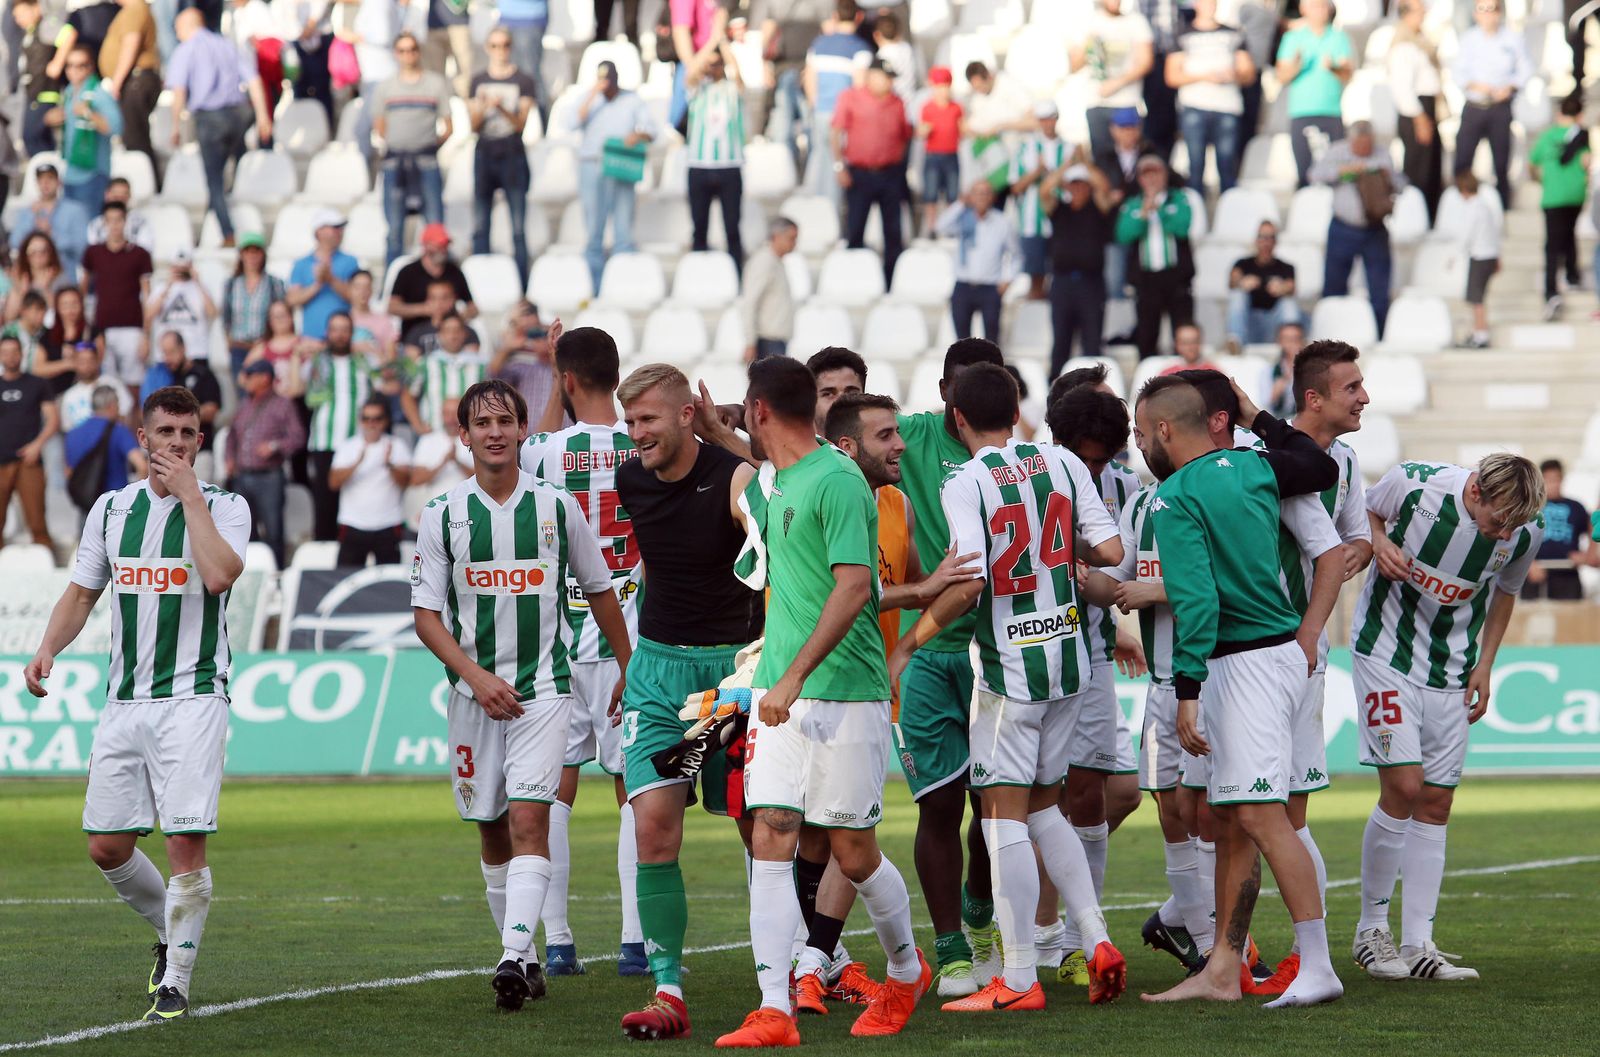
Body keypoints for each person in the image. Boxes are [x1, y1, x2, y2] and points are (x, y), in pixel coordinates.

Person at [885, 361, 1126, 1013]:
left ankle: (1018, 979)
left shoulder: (966, 481)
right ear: (1018, 410)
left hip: (1009, 671)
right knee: (1045, 808)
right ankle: (1096, 937)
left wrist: (907, 644)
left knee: (1001, 816)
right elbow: (1110, 553)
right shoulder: (1064, 463)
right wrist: (1057, 549)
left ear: (957, 417)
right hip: (1070, 663)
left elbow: (968, 582)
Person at [716, 355, 929, 1046]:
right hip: (780, 693)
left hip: (844, 692)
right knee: (772, 832)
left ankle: (906, 971)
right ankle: (774, 1007)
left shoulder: (838, 479)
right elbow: (754, 462)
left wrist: (793, 677)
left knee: (854, 852)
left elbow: (854, 587)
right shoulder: (776, 478)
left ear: (759, 410)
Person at [24, 385, 249, 1023]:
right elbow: (82, 593)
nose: (176, 443)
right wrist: (47, 648)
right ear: (143, 438)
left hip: (194, 696)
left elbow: (218, 575)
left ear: (200, 441)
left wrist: (190, 497)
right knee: (106, 845)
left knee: (184, 841)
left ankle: (175, 983)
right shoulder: (111, 509)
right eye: (165, 432)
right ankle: (170, 933)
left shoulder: (226, 506)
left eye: (187, 433)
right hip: (124, 700)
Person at [410, 378, 633, 1011]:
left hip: (544, 690)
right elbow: (426, 616)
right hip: (472, 696)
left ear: (522, 429)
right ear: (464, 435)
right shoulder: (442, 513)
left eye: (505, 421)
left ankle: (510, 957)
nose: (495, 433)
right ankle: (529, 957)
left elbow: (600, 588)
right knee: (491, 828)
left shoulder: (558, 506)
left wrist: (630, 666)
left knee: (531, 817)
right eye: (482, 423)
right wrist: (476, 679)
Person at [1135, 374, 1345, 1008]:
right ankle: (1223, 969)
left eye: (1142, 433)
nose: (1140, 444)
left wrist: (1187, 689)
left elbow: (1196, 598)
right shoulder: (1256, 467)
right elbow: (1320, 466)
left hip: (1242, 664)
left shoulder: (1172, 497)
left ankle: (1318, 966)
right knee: (1230, 822)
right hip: (1277, 656)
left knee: (1259, 817)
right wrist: (1258, 416)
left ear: (1165, 430)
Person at [610, 364, 763, 1041]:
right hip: (658, 674)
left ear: (684, 415)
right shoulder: (631, 478)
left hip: (729, 679)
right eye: (630, 421)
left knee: (758, 828)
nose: (636, 432)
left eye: (647, 419)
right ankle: (668, 988)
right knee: (653, 829)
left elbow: (778, 518)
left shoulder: (733, 477)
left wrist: (728, 438)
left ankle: (791, 971)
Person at [1350, 453, 1544, 983]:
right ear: (1476, 490)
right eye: (1499, 521)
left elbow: (1505, 594)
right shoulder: (1415, 484)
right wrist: (1379, 542)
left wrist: (1486, 664)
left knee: (1436, 802)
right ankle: (1371, 931)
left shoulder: (1526, 531)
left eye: (1514, 526)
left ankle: (1419, 945)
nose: (1505, 534)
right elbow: (1363, 512)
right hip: (1384, 653)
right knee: (1404, 785)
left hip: (1454, 669)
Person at [1239, 343, 1375, 991]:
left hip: (1299, 652)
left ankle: (1302, 956)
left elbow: (1358, 536)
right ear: (1313, 398)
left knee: (1285, 814)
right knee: (1226, 812)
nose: (1364, 397)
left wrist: (1354, 554)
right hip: (1247, 651)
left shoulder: (1344, 461)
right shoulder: (1254, 454)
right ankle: (1220, 945)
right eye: (1352, 387)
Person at [518, 326, 646, 977]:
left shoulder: (544, 450)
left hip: (560, 644)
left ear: (567, 380)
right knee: (633, 791)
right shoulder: (644, 445)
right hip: (631, 641)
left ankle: (561, 942)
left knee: (555, 791)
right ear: (618, 378)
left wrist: (551, 378)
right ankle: (634, 943)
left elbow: (532, 451)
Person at [885, 338, 1006, 997]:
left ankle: (980, 906)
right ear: (944, 394)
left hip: (993, 648)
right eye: (963, 389)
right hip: (929, 653)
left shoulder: (1013, 458)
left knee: (996, 804)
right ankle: (952, 946)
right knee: (939, 803)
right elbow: (832, 438)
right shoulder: (909, 438)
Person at [166, 9, 274, 247]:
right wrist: (263, 116)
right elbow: (253, 80)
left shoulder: (186, 49)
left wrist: (175, 126)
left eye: (177, 28)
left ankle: (228, 233)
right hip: (238, 116)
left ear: (187, 25)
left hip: (210, 119)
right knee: (233, 171)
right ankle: (215, 223)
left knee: (214, 179)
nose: (176, 33)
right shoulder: (227, 45)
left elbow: (179, 91)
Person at [1312, 122, 1403, 335]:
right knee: (1334, 285)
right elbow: (1314, 175)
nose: (1364, 149)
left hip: (1375, 229)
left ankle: (1378, 332)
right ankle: (1330, 334)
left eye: (1367, 144)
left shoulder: (1382, 154)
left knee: (1379, 288)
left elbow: (1400, 184)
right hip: (1343, 228)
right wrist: (1345, 171)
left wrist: (1384, 176)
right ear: (1351, 140)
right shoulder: (1337, 152)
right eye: (1359, 144)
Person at [574, 60, 658, 289]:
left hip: (620, 162)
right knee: (593, 228)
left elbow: (651, 131)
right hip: (592, 163)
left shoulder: (632, 99)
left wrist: (637, 135)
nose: (606, 85)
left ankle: (621, 285)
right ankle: (594, 287)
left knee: (623, 228)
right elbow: (571, 122)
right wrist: (593, 93)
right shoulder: (589, 97)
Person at [372, 32, 453, 265]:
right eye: (403, 50)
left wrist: (427, 145)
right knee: (394, 231)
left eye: (412, 50)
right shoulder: (385, 87)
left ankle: (438, 278)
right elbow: (380, 127)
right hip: (395, 161)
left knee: (435, 229)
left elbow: (448, 127)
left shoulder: (435, 84)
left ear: (419, 52)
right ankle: (393, 281)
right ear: (396, 54)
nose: (408, 55)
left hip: (426, 160)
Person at [833, 58, 912, 288]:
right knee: (855, 228)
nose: (889, 83)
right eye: (886, 78)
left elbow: (904, 135)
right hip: (860, 173)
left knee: (893, 232)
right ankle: (853, 281)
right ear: (872, 76)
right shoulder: (851, 97)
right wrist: (839, 166)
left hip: (890, 173)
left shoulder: (897, 102)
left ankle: (892, 282)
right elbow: (836, 132)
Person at [469, 27, 538, 285]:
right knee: (480, 225)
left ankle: (521, 286)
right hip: (485, 152)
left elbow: (520, 125)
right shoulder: (477, 81)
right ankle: (479, 284)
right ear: (488, 48)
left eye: (505, 45)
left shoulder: (524, 81)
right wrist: (486, 108)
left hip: (512, 153)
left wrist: (500, 108)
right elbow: (473, 125)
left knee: (518, 228)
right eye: (495, 45)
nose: (500, 51)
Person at [1166, 0, 1253, 193]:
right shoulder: (1183, 34)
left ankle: (1229, 208)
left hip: (1227, 107)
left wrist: (1234, 75)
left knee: (1227, 167)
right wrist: (1205, 77)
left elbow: (1248, 73)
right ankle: (1197, 210)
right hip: (1194, 106)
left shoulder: (1234, 33)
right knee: (1195, 167)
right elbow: (1171, 76)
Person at [226, 359, 304, 567]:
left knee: (273, 530)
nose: (246, 380)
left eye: (250, 376)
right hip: (243, 475)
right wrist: (229, 458)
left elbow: (297, 437)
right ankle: (247, 571)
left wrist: (274, 446)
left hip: (269, 476)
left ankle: (276, 573)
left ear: (265, 378)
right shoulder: (244, 404)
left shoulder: (283, 404)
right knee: (243, 530)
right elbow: (231, 435)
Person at [1042, 161, 1117, 377]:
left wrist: (1085, 163)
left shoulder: (1098, 208)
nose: (1078, 189)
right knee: (1060, 341)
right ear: (1066, 187)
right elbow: (1045, 191)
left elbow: (1104, 188)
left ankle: (1092, 386)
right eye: (1073, 185)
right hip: (1062, 282)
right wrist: (1067, 165)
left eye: (1082, 184)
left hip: (1090, 282)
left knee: (1092, 341)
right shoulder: (1059, 209)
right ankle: (1056, 386)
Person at [1453, 0, 1529, 211]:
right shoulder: (1469, 39)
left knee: (1501, 162)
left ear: (1500, 12)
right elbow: (1458, 73)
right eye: (1482, 9)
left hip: (1500, 107)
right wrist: (1478, 86)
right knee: (1463, 159)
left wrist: (1510, 87)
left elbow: (1525, 69)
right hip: (1475, 105)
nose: (1487, 14)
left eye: (1492, 9)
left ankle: (1502, 208)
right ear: (1476, 13)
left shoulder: (1512, 39)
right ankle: (1461, 202)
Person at [1116, 155, 1194, 360]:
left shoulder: (1178, 198)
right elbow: (1123, 235)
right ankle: (1148, 375)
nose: (1151, 179)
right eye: (1146, 174)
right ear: (1140, 179)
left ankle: (1184, 373)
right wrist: (1142, 215)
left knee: (1183, 332)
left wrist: (1159, 211)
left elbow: (1182, 228)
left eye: (1156, 173)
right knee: (1147, 335)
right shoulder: (1133, 204)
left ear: (1165, 175)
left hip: (1176, 277)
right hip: (1147, 279)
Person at [685, 34, 747, 272]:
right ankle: (698, 275)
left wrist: (722, 43)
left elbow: (738, 75)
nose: (712, 68)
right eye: (708, 64)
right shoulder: (698, 90)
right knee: (699, 229)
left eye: (716, 64)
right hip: (700, 165)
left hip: (729, 166)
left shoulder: (732, 90)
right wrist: (710, 44)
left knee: (732, 228)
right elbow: (691, 73)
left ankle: (736, 275)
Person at [1275, 0, 1352, 188]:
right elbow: (1281, 76)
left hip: (1331, 111)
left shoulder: (1339, 37)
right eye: (1314, 6)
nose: (1319, 11)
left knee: (1335, 175)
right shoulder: (1292, 38)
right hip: (1301, 112)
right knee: (1305, 175)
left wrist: (1333, 67)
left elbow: (1347, 74)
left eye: (1323, 6)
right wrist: (1297, 65)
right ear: (1303, 9)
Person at [328, 394, 411, 565]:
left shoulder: (397, 445)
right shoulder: (348, 447)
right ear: (360, 421)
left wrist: (389, 464)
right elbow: (333, 483)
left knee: (389, 578)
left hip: (388, 524)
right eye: (366, 419)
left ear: (385, 421)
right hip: (353, 523)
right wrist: (356, 463)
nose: (371, 423)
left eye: (377, 419)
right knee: (346, 576)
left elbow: (406, 483)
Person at [802, 2, 871, 203]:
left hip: (821, 112)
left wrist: (815, 104)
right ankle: (833, 211)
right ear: (858, 17)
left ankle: (819, 207)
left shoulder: (819, 44)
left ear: (835, 16)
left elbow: (810, 79)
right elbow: (859, 86)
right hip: (845, 118)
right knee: (839, 165)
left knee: (820, 161)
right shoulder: (860, 48)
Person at [1530, 94, 1590, 321]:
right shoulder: (1581, 135)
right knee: (1569, 234)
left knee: (1552, 245)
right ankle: (1572, 277)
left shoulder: (1547, 136)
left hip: (1553, 196)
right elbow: (1586, 162)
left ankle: (1551, 291)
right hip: (1575, 195)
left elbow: (1532, 163)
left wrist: (1542, 180)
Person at [936, 181, 1020, 342]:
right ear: (971, 196)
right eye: (977, 193)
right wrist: (961, 203)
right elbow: (941, 226)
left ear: (992, 197)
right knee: (962, 341)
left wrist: (1007, 280)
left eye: (986, 193)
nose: (982, 197)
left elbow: (1016, 255)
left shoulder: (1002, 222)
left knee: (992, 339)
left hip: (990, 287)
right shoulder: (962, 218)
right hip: (963, 285)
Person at [1072, 0, 1153, 163]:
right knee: (1101, 160)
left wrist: (1116, 83)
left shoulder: (1135, 21)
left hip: (1126, 101)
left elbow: (1146, 62)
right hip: (1096, 102)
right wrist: (1089, 45)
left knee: (1130, 158)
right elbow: (1074, 64)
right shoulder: (1089, 21)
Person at [49, 44, 123, 214]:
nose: (74, 70)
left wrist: (88, 113)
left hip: (93, 174)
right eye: (69, 65)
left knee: (88, 225)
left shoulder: (99, 93)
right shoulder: (69, 92)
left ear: (91, 66)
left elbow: (116, 127)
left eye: (80, 65)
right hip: (70, 172)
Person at [0, 334, 59, 549]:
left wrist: (37, 444)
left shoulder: (37, 383)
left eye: (14, 352)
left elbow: (53, 419)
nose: (10, 357)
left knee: (37, 523)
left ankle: (46, 563)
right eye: (5, 352)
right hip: (0, 462)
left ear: (22, 354)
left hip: (29, 461)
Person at [1389, 1, 1444, 223]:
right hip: (1417, 112)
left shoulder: (1420, 40)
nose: (1423, 14)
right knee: (1418, 170)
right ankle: (1414, 220)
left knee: (1431, 170)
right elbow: (1402, 88)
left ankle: (1428, 218)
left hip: (1426, 109)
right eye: (1419, 10)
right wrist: (1420, 119)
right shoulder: (1403, 45)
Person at [1008, 102, 1068, 300]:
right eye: (1043, 119)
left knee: (1059, 276)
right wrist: (1037, 172)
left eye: (1050, 118)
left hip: (1061, 222)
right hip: (1031, 222)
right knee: (1035, 276)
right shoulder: (1025, 148)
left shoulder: (1069, 148)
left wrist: (1052, 176)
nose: (1047, 123)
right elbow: (1015, 187)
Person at [142, 331, 222, 477]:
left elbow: (212, 410)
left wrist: (178, 415)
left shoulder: (203, 374)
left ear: (183, 348)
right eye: (164, 353)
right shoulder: (165, 377)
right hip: (169, 455)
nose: (168, 358)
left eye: (171, 352)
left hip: (199, 453)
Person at [100, 0, 162, 165]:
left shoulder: (135, 9)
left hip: (136, 80)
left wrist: (117, 81)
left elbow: (131, 43)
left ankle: (145, 177)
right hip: (135, 80)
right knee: (135, 136)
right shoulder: (132, 10)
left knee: (135, 139)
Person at [963, 62, 1033, 206]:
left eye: (981, 86)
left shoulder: (1010, 86)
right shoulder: (977, 99)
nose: (980, 91)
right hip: (994, 167)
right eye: (975, 88)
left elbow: (1033, 121)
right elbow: (971, 126)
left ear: (988, 77)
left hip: (1017, 159)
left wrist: (1001, 127)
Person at [404, 313, 487, 433]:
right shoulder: (425, 363)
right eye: (447, 330)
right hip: (435, 432)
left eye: (457, 330)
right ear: (439, 335)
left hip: (470, 434)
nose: (453, 336)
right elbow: (407, 395)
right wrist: (418, 426)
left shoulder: (479, 365)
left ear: (464, 334)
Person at [388, 225, 478, 334]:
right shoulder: (408, 272)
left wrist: (458, 318)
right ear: (426, 245)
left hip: (450, 336)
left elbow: (473, 308)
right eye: (439, 245)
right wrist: (424, 309)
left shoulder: (454, 272)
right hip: (414, 336)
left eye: (445, 245)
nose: (443, 249)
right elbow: (392, 307)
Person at [221, 233, 285, 383]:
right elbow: (226, 317)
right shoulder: (231, 284)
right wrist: (230, 342)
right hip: (238, 348)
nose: (252, 256)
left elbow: (281, 313)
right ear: (241, 255)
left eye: (256, 252)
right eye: (248, 252)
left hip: (262, 347)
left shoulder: (273, 283)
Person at [9, 164, 91, 281]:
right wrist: (31, 218)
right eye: (41, 179)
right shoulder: (28, 211)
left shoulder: (75, 210)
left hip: (64, 279)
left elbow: (82, 249)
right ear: (37, 183)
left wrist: (52, 233)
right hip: (34, 281)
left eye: (50, 178)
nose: (45, 183)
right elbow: (15, 243)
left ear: (59, 182)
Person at [1524, 459, 1592, 601]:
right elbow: (1513, 539)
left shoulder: (1576, 507)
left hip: (1567, 576)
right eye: (1548, 480)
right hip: (1534, 574)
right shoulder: (1529, 507)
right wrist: (1527, 563)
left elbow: (1594, 535)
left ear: (1562, 479)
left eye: (1556, 479)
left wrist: (1587, 555)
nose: (1553, 484)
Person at [287, 210, 359, 341]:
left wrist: (330, 279)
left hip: (342, 340)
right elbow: (292, 299)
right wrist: (318, 284)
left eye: (341, 228)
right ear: (319, 231)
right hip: (311, 339)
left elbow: (357, 297)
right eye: (335, 227)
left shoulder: (351, 261)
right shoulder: (301, 264)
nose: (340, 231)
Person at [1226, 221, 1301, 348]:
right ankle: (1236, 340)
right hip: (1248, 323)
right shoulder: (1243, 264)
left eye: (1270, 237)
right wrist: (1242, 282)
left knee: (1288, 303)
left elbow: (1291, 287)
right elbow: (1232, 281)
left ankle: (1290, 344)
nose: (1266, 242)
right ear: (1256, 240)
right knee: (1237, 295)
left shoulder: (1286, 267)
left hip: (1274, 324)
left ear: (1275, 241)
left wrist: (1282, 288)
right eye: (1262, 237)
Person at [65, 384, 147, 496]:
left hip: (86, 501)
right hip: (116, 500)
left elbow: (69, 472)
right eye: (118, 405)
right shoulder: (118, 431)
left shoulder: (73, 434)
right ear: (111, 406)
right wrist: (137, 497)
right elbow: (142, 466)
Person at [145, 251, 217, 366]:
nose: (180, 271)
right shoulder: (161, 288)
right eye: (177, 268)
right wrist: (168, 285)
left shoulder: (201, 288)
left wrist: (198, 282)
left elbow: (212, 313)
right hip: (166, 355)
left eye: (184, 268)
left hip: (196, 352)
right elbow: (149, 315)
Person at [740, 217, 797, 362]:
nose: (794, 243)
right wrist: (750, 342)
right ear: (777, 236)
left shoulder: (774, 261)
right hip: (767, 340)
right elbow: (750, 302)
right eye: (791, 238)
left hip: (775, 339)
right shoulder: (764, 262)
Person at [917, 66, 963, 235]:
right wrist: (924, 130)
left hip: (951, 155)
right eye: (939, 87)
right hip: (933, 156)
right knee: (931, 194)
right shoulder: (927, 108)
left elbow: (962, 128)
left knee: (952, 193)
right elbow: (920, 131)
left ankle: (950, 226)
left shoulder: (956, 108)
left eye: (945, 86)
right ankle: (932, 228)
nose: (942, 91)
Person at [1459, 172, 1501, 349]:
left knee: (1476, 298)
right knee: (1479, 297)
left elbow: (1467, 234)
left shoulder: (1472, 208)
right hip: (1490, 254)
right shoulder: (1486, 207)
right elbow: (1495, 232)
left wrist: (1457, 252)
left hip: (1479, 255)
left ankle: (1481, 333)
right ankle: (1478, 331)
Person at [61, 343, 133, 432]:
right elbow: (68, 430)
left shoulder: (113, 384)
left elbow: (125, 415)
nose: (86, 365)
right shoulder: (69, 396)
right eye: (82, 361)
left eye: (90, 360)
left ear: (97, 361)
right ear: (75, 363)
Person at [85, 177, 157, 254]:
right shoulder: (95, 225)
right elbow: (93, 254)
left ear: (129, 196)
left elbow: (145, 252)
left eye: (122, 197)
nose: (119, 200)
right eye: (115, 196)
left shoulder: (141, 223)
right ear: (107, 195)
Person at [422, 0, 474, 97]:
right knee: (434, 74)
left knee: (464, 70)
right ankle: (437, 102)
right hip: (434, 26)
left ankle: (465, 100)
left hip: (459, 24)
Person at [1266, 321, 1308, 419]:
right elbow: (1266, 403)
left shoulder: (1312, 370)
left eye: (1296, 339)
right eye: (1287, 339)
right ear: (1280, 342)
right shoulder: (1269, 370)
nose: (1292, 343)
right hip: (1277, 420)